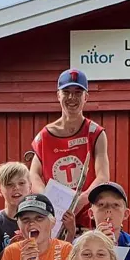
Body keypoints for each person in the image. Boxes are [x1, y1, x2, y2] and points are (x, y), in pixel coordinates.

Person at [29, 69, 110, 226]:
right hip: (55, 217)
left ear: (86, 97)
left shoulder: (95, 133)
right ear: (58, 95)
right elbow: (34, 175)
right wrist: (47, 199)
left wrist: (80, 201)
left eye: (78, 92)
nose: (72, 97)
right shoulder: (44, 136)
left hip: (88, 216)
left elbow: (103, 177)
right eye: (66, 92)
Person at [86, 182, 130, 260]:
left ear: (126, 214)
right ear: (91, 213)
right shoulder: (80, 245)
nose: (108, 211)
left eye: (115, 205)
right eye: (101, 205)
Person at [0, 161, 32, 260]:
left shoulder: (40, 220)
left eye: (21, 183)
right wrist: (10, 249)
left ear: (30, 187)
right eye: (9, 184)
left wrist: (70, 231)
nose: (16, 188)